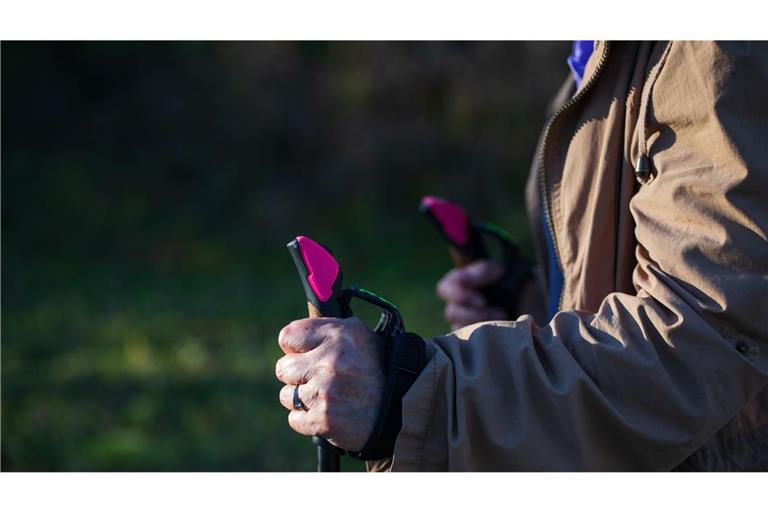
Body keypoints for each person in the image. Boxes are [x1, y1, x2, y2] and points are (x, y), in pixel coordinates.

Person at [275, 41, 768, 470]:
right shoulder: (600, 54)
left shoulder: (709, 48)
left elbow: (700, 332)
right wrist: (529, 309)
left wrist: (413, 396)